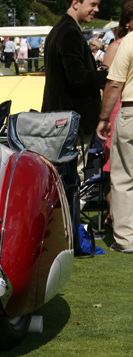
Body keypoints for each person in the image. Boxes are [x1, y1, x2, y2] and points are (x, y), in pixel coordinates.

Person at [44, 0, 109, 177]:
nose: (97, 9)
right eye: (92, 4)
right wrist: (107, 77)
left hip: (63, 121)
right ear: (75, 3)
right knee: (73, 178)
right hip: (72, 124)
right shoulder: (69, 32)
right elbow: (76, 77)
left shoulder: (61, 29)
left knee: (63, 178)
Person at [97, 1, 133, 252]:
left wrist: (103, 118)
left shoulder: (128, 42)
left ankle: (126, 239)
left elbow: (113, 84)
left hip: (130, 111)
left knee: (124, 178)